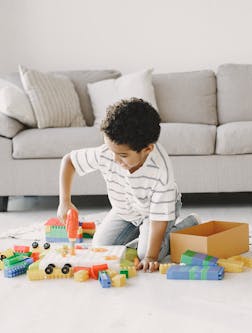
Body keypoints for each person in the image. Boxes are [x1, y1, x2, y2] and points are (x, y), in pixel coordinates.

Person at [57, 98, 200, 272]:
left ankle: (191, 223)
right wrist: (65, 201)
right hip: (124, 210)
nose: (115, 159)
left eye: (123, 155)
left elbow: (159, 220)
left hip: (155, 213)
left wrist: (150, 257)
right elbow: (69, 161)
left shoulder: (161, 173)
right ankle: (140, 234)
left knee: (148, 254)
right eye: (111, 151)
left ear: (147, 149)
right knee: (101, 245)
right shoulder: (107, 153)